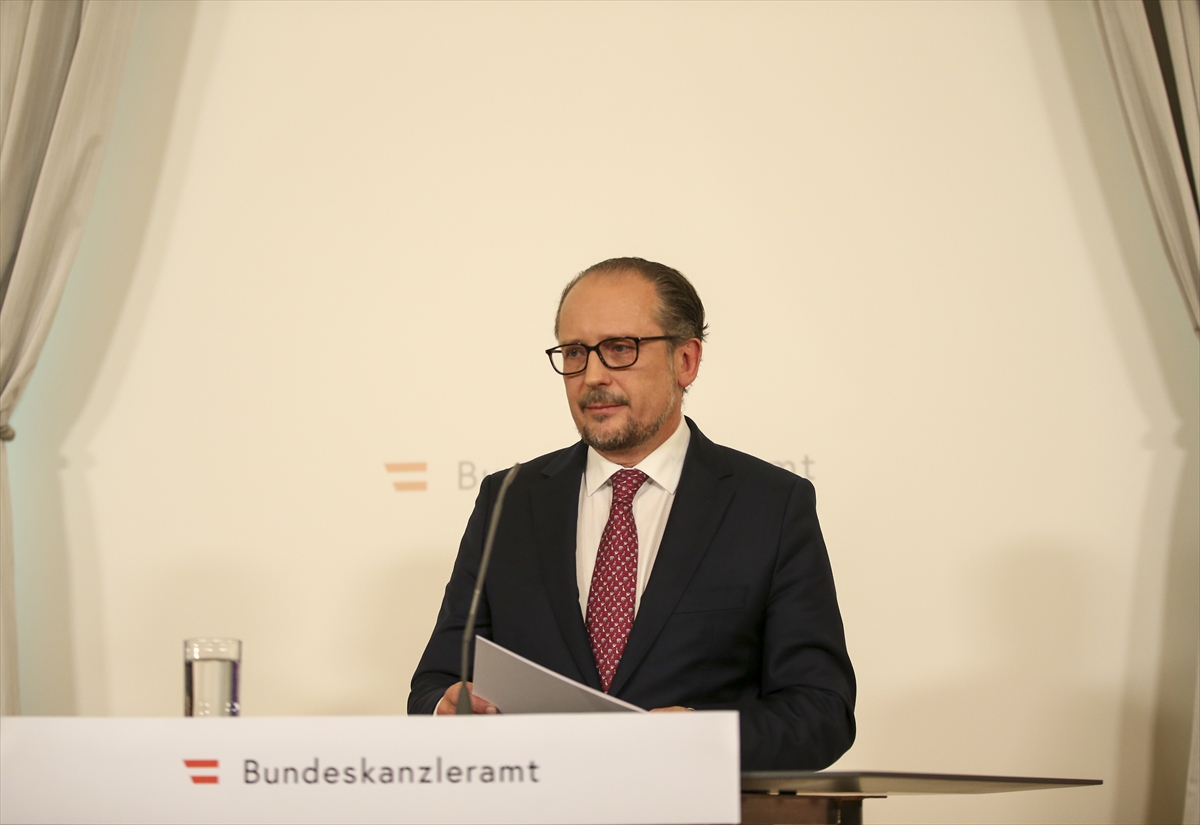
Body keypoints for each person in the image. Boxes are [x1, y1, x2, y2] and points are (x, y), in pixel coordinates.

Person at [408, 257, 855, 770]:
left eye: (620, 348)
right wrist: (446, 707)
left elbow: (822, 712)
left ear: (685, 361)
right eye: (575, 353)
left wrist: (705, 734)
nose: (592, 376)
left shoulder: (770, 505)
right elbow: (435, 683)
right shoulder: (508, 498)